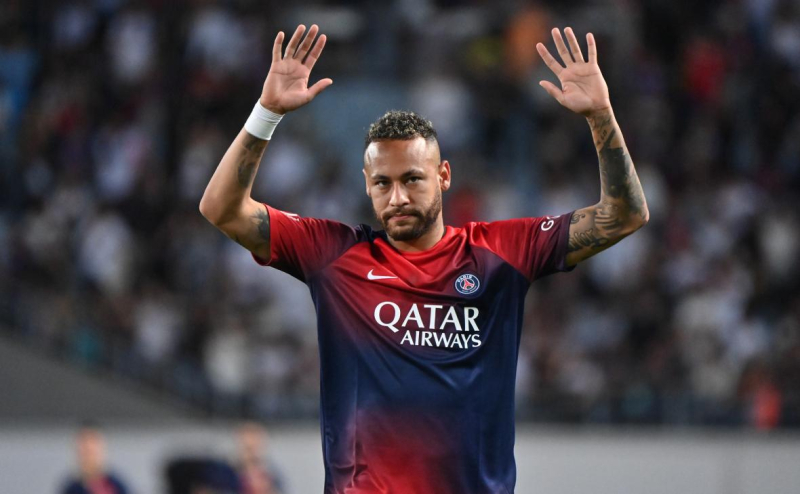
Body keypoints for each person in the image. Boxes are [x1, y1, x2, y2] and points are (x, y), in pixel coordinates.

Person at [200, 24, 648, 494]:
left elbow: (624, 216)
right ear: (367, 184)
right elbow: (220, 209)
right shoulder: (334, 254)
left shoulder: (500, 252)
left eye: (412, 179)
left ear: (444, 176)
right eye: (382, 183)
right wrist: (267, 113)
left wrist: (601, 115)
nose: (396, 197)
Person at [60, 423, 129, 494]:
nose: (88, 448)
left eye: (93, 443)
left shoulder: (116, 487)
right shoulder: (71, 489)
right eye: (84, 445)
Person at [235, 422, 285, 494]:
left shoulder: (272, 474)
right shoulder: (229, 474)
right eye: (248, 448)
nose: (252, 453)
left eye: (255, 446)